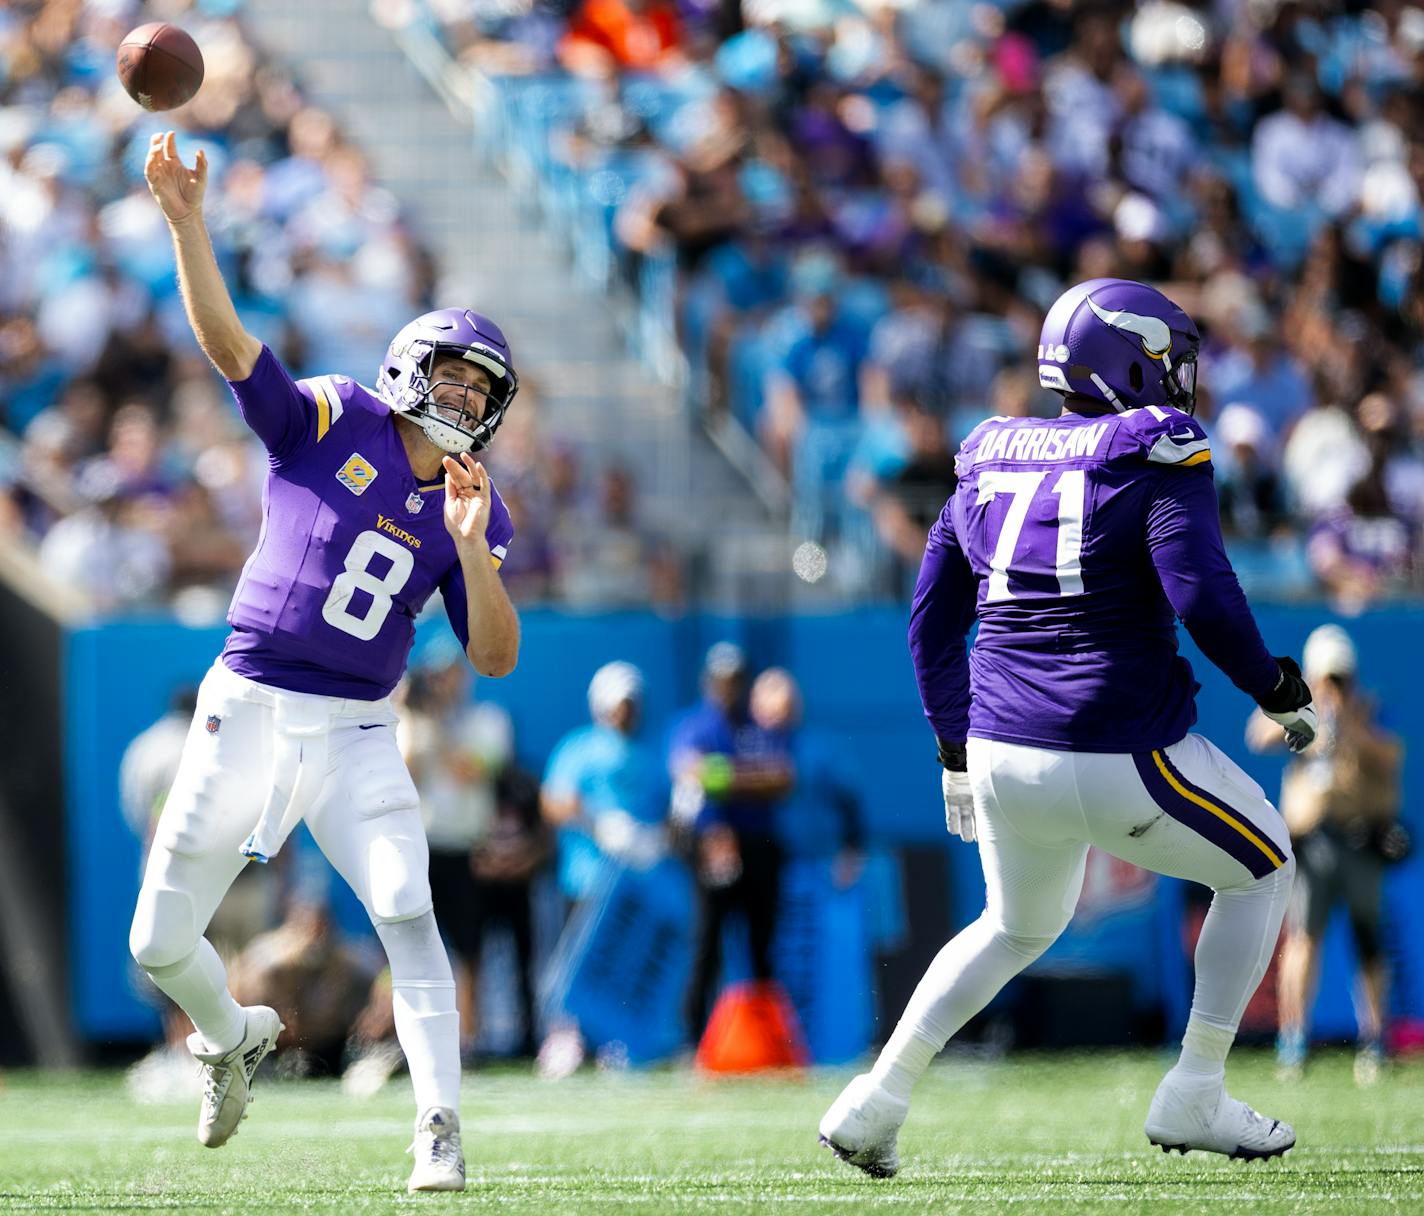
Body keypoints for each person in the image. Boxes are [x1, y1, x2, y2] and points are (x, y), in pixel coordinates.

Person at [819, 278, 1318, 1176]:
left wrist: (953, 749)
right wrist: (1273, 686)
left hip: (1004, 748)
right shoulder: (1153, 447)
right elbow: (1199, 591)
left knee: (1014, 926)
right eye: (1167, 360)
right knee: (1264, 869)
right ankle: (1195, 1088)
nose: (1180, 380)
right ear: (1129, 359)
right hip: (1117, 742)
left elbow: (931, 620)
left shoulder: (987, 452)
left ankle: (874, 1099)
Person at [126, 131, 521, 1193]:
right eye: (454, 375)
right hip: (246, 705)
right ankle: (232, 1033)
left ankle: (437, 1126)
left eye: (484, 390)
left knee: (405, 902)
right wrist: (186, 221)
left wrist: (477, 552)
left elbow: (491, 657)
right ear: (408, 365)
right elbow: (228, 346)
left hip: (354, 727)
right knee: (159, 943)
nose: (469, 401)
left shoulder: (469, 503)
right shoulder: (333, 415)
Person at [1247, 624, 1405, 1084]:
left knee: (1368, 941)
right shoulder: (1304, 707)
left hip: (1360, 838)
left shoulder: (1370, 710)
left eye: (1339, 679)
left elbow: (1392, 755)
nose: (1334, 688)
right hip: (1312, 840)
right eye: (1326, 678)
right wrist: (1301, 711)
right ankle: (1293, 1038)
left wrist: (1352, 726)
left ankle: (1374, 1039)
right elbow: (1257, 736)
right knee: (1303, 938)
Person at [396, 634, 515, 1060]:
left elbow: (469, 770)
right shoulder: (418, 725)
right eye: (436, 676)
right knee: (411, 947)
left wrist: (439, 725)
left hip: (466, 850)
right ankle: (409, 1040)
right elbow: (404, 776)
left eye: (450, 674)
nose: (443, 683)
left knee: (469, 950)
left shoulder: (487, 720)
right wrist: (406, 714)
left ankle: (468, 1038)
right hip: (423, 847)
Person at [669, 642, 794, 1041]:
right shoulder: (695, 724)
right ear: (709, 682)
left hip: (759, 844)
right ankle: (695, 1040)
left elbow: (783, 778)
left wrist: (723, 777)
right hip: (714, 843)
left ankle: (763, 1040)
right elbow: (689, 771)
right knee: (708, 943)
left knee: (763, 944)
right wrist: (749, 779)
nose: (728, 688)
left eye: (735, 680)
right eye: (722, 680)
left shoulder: (759, 725)